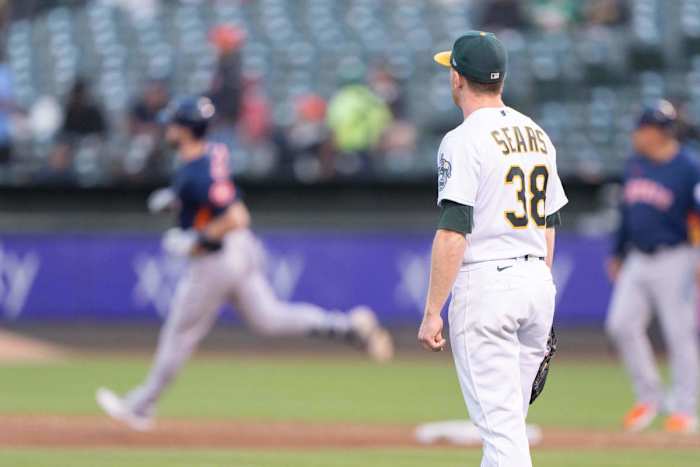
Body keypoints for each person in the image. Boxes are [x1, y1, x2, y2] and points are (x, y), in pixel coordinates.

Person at [96, 96, 394, 431]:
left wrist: (197, 238)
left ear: (184, 128)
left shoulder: (195, 170)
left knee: (179, 334)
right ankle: (347, 327)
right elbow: (213, 195)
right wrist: (179, 201)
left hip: (217, 257)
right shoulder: (210, 154)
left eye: (174, 123)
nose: (168, 128)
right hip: (241, 249)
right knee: (270, 319)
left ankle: (140, 406)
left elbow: (236, 215)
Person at [417, 31, 568, 467]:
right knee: (506, 432)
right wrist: (540, 283)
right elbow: (549, 224)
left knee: (504, 442)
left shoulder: (463, 139)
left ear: (459, 79)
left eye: (452, 70)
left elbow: (453, 231)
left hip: (487, 288)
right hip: (536, 282)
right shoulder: (536, 133)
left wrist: (432, 310)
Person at [605, 100, 699, 434]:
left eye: (642, 128)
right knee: (620, 324)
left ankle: (685, 409)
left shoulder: (689, 167)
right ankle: (649, 398)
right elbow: (628, 213)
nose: (637, 134)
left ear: (658, 132)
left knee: (680, 334)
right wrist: (617, 252)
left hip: (677, 257)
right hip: (637, 258)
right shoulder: (636, 164)